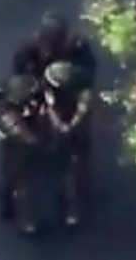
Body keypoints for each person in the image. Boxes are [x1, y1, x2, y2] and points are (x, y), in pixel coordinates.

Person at [0, 74, 44, 234]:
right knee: (21, 184)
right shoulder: (9, 117)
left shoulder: (16, 109)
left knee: (11, 178)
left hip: (16, 151)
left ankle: (8, 204)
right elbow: (27, 138)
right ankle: (24, 220)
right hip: (17, 152)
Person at [42, 61, 94, 227]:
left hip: (75, 134)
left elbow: (82, 110)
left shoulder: (82, 92)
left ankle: (73, 208)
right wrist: (59, 125)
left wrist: (70, 126)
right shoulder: (50, 93)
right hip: (58, 130)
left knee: (73, 172)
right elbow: (50, 108)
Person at [12, 12, 96, 85]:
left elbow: (89, 70)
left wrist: (72, 73)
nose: (53, 39)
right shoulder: (28, 48)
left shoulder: (77, 45)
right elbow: (19, 74)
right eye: (48, 34)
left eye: (58, 35)